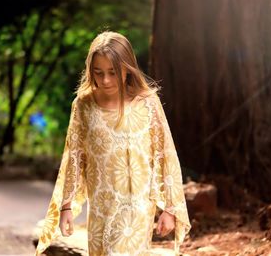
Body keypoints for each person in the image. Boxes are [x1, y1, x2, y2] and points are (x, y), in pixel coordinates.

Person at [34, 31, 191, 256]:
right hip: (101, 207)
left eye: (112, 73)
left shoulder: (147, 103)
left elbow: (165, 154)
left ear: (128, 69)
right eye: (99, 73)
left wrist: (169, 208)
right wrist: (66, 206)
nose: (106, 80)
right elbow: (74, 157)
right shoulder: (83, 105)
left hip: (137, 208)